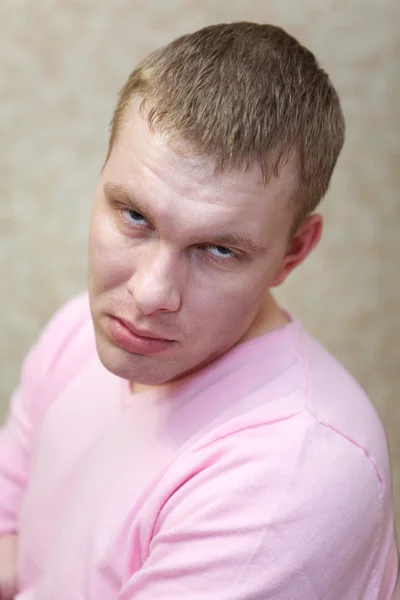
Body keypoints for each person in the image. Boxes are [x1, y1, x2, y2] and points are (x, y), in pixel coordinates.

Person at [0, 21, 398, 600]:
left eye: (218, 250)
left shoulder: (293, 473)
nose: (149, 294)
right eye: (135, 216)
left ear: (293, 252)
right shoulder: (75, 334)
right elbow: (12, 539)